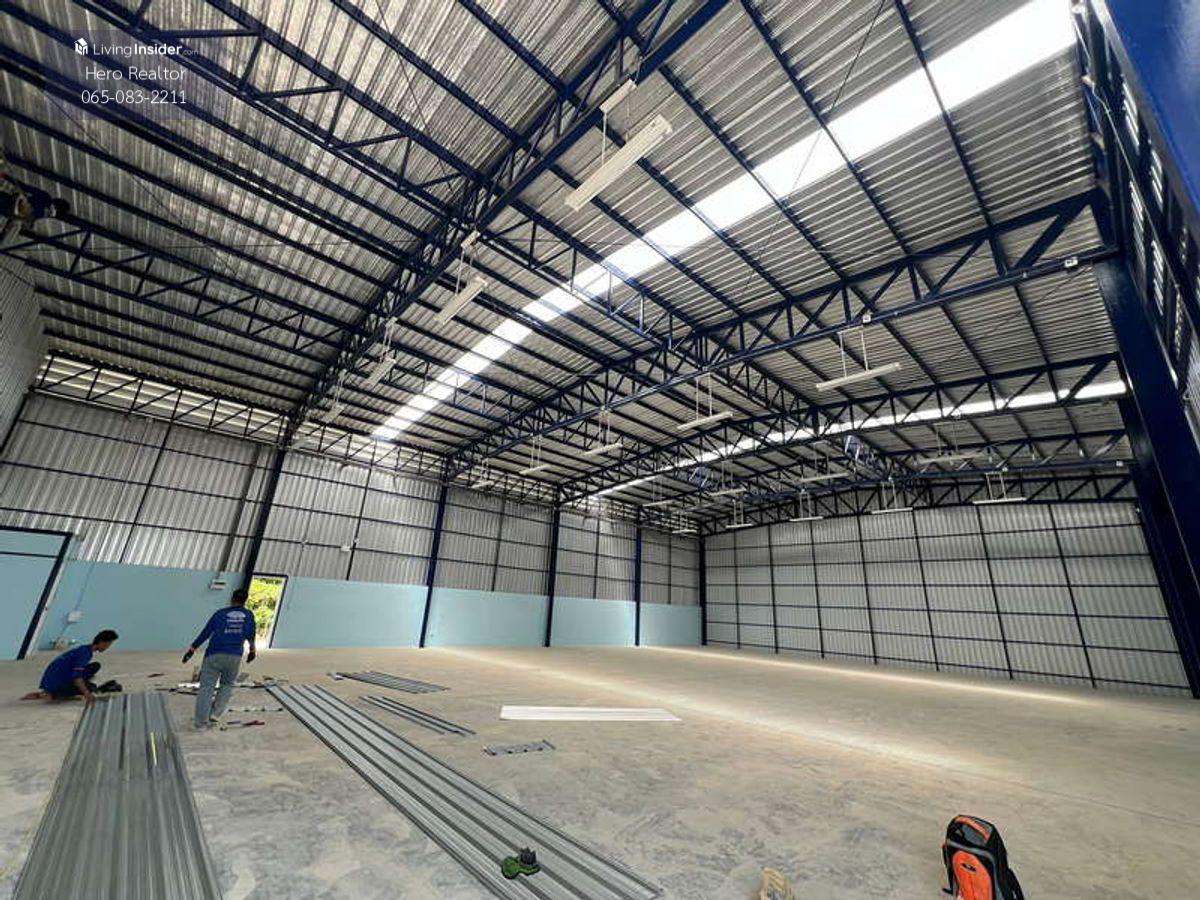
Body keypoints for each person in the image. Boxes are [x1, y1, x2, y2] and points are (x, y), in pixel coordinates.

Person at [184, 588, 257, 730]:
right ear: (245, 601)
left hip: (214, 654)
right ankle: (215, 714)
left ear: (232, 599)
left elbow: (205, 633)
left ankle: (200, 723)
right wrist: (252, 650)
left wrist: (192, 649)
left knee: (207, 688)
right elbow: (251, 634)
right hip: (234, 656)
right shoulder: (248, 615)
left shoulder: (220, 614)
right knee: (227, 685)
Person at [21, 630, 119, 704]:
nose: (108, 647)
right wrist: (87, 694)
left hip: (57, 677)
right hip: (56, 683)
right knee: (89, 688)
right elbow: (77, 677)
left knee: (95, 666)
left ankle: (55, 690)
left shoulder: (85, 649)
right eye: (109, 644)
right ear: (101, 642)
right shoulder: (85, 654)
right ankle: (49, 694)